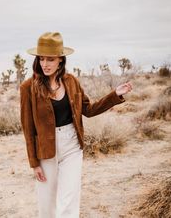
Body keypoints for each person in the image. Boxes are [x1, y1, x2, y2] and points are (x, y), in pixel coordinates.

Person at [20, 32, 132, 218]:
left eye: (50, 59)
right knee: (47, 204)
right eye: (41, 59)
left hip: (72, 144)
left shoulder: (71, 82)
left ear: (60, 61)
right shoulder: (28, 88)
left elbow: (88, 109)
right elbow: (28, 128)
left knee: (69, 202)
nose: (45, 64)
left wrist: (115, 95)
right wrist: (34, 163)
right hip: (46, 149)